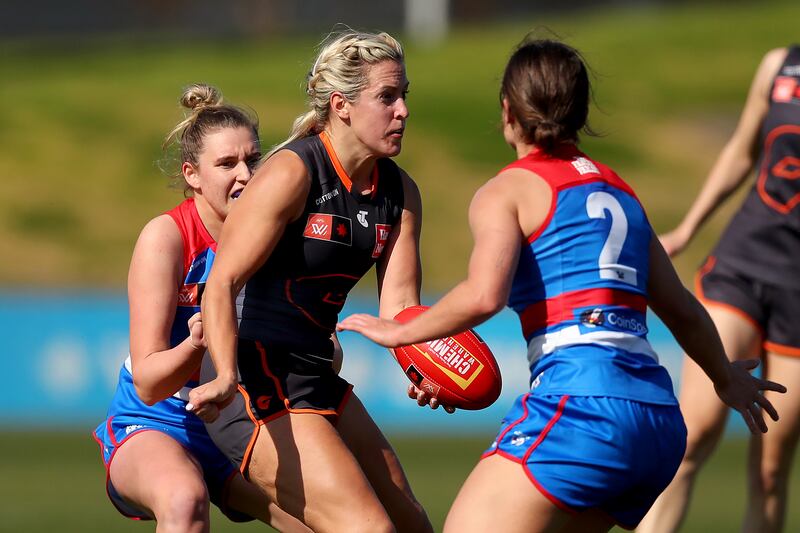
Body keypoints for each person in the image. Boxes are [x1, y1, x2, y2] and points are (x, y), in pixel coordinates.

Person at [337, 37, 786, 532]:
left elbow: (486, 294)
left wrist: (401, 333)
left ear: (508, 110)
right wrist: (724, 376)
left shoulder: (508, 189)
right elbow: (680, 307)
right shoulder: (619, 190)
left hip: (581, 406)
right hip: (657, 421)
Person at [185, 31, 434, 533]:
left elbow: (401, 305)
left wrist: (421, 363)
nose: (403, 109)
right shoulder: (294, 171)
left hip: (313, 372)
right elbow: (223, 280)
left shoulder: (400, 192)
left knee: (412, 526)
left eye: (404, 94)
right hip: (251, 380)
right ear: (341, 105)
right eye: (387, 97)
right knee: (369, 529)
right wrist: (226, 375)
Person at [92, 83, 308, 532]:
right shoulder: (167, 238)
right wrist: (198, 343)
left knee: (328, 520)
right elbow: (150, 382)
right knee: (184, 498)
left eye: (253, 159)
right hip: (157, 419)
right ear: (192, 174)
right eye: (227, 164)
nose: (245, 175)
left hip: (239, 414)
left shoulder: (278, 238)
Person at [638, 46, 800, 533]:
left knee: (771, 470)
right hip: (742, 263)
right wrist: (688, 228)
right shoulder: (779, 65)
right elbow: (740, 152)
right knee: (692, 435)